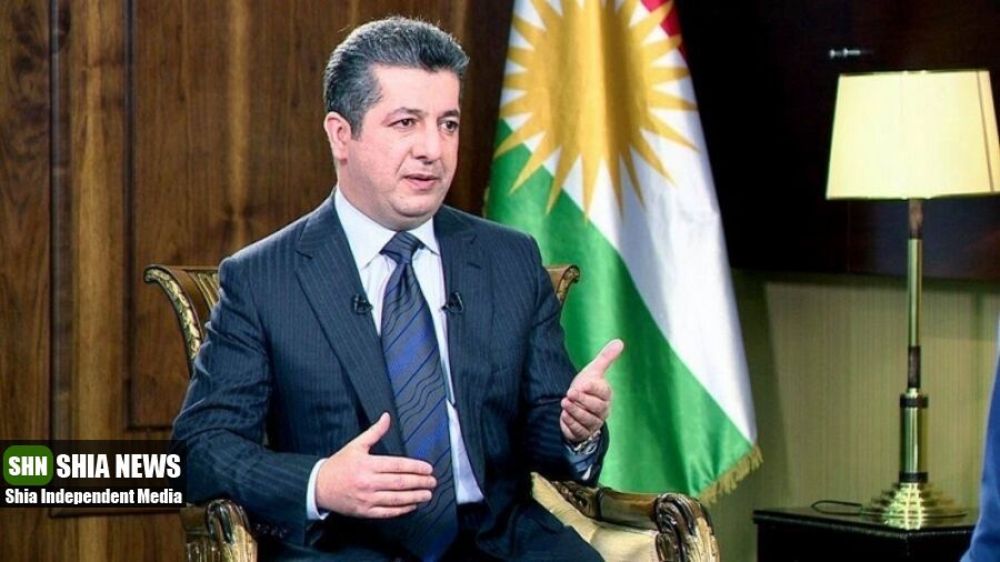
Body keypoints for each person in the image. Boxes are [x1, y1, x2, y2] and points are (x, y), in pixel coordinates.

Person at [172, 16, 623, 561]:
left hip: (501, 543)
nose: (433, 148)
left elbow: (543, 431)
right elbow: (202, 448)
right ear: (342, 135)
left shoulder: (509, 259)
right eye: (406, 122)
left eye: (448, 124)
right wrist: (321, 482)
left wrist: (574, 429)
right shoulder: (264, 279)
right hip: (346, 548)